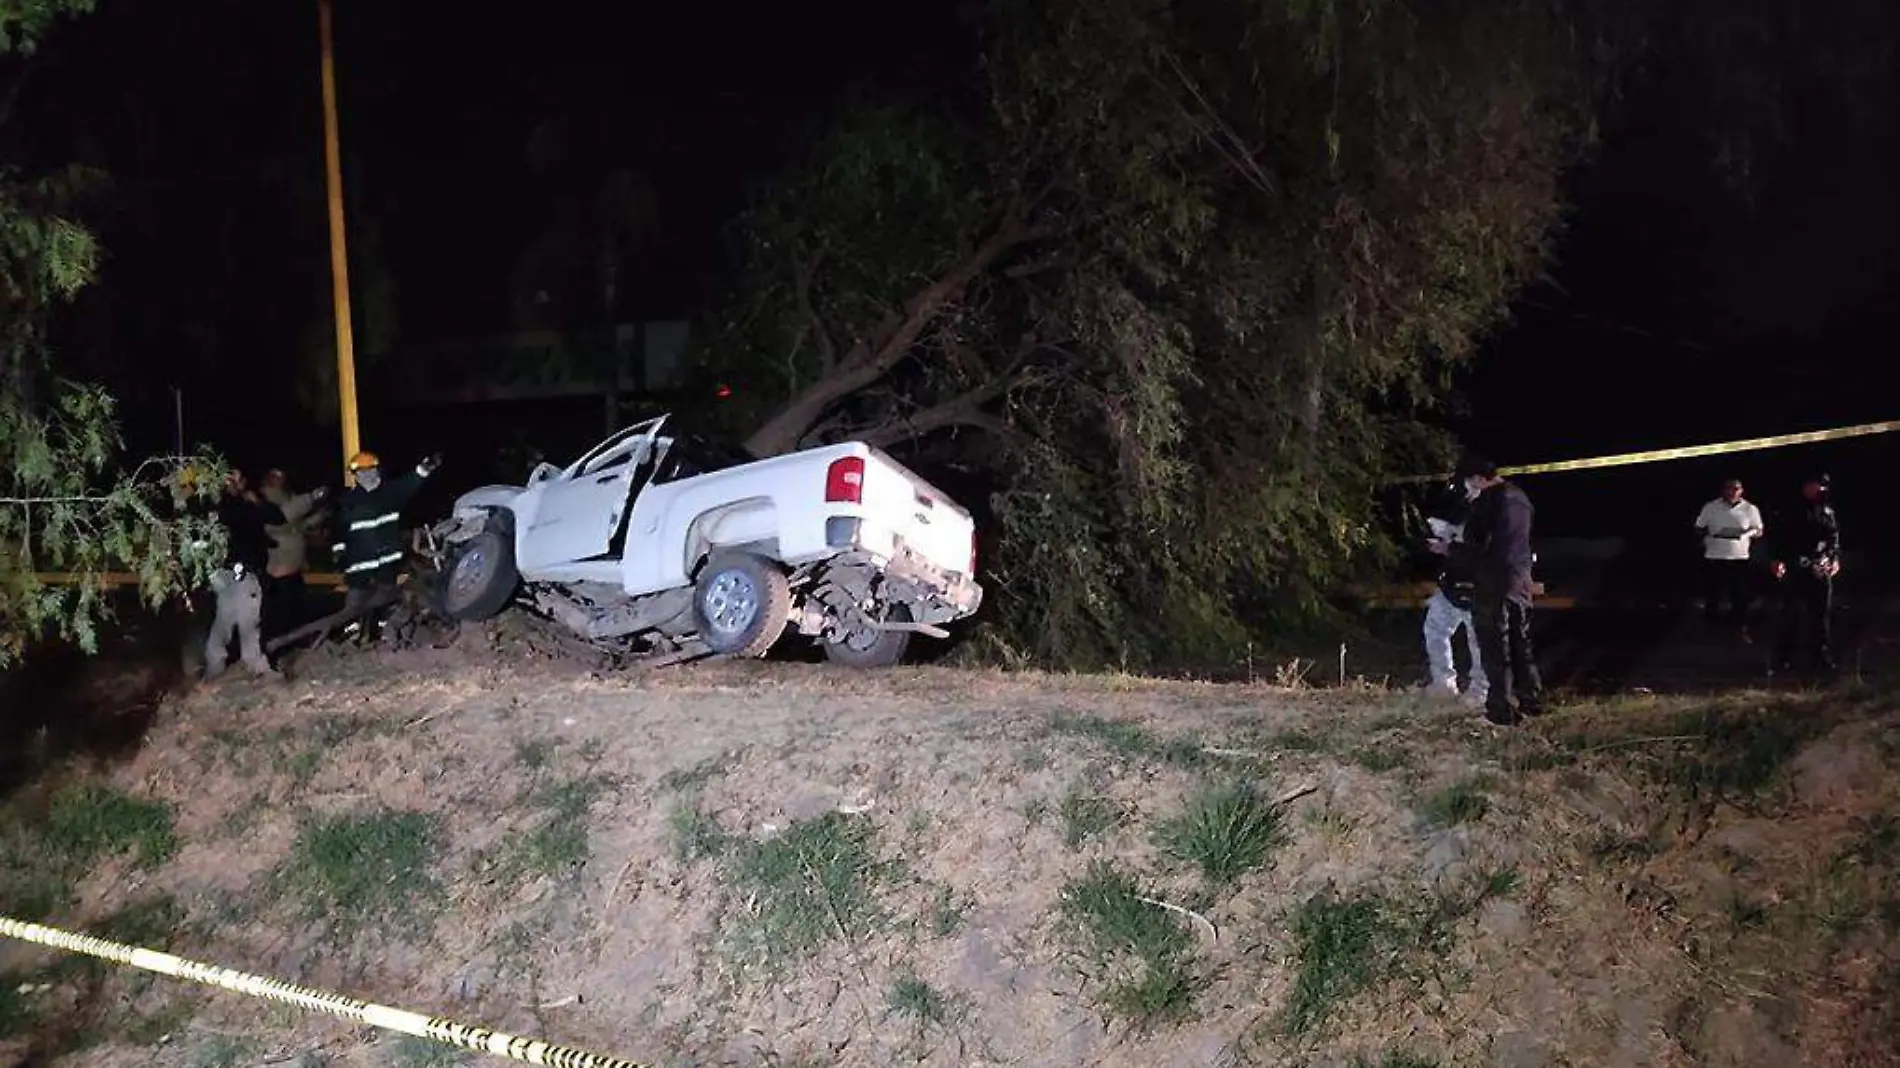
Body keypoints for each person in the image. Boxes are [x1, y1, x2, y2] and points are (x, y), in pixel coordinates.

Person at [1439, 451, 1544, 726]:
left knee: (1495, 647)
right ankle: (1532, 701)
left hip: (1492, 581)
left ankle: (1501, 712)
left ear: (1476, 479)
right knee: (1521, 642)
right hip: (1520, 579)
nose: (1466, 489)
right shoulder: (1521, 498)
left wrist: (1447, 548)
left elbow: (1478, 547)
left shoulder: (1488, 501)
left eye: (1466, 482)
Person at [332, 449, 440, 639]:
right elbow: (338, 531)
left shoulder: (391, 493)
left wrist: (424, 468)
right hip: (359, 568)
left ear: (378, 470)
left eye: (370, 470)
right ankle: (350, 641)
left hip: (387, 564)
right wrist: (338, 553)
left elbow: (411, 482)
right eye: (362, 472)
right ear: (355, 475)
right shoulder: (347, 502)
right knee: (353, 610)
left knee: (384, 604)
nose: (367, 475)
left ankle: (383, 637)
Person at [205, 467, 288, 680]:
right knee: (247, 618)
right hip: (238, 570)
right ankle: (255, 665)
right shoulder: (228, 506)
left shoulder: (241, 502)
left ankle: (216, 665)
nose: (233, 483)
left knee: (225, 616)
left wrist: (257, 502)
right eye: (230, 479)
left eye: (236, 478)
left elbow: (277, 517)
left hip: (230, 570)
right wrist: (251, 502)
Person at [1421, 485, 1487, 707]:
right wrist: (1443, 537)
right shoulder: (1461, 507)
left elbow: (1481, 550)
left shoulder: (1491, 511)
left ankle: (1479, 692)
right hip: (1451, 585)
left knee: (1478, 640)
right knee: (1435, 629)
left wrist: (1448, 547)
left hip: (1479, 586)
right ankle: (1444, 685)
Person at [1770, 474, 1841, 673]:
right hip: (1795, 567)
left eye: (1821, 486)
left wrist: (1834, 559)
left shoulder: (1827, 511)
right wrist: (1777, 559)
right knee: (1790, 613)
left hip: (1820, 567)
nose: (1818, 489)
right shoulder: (1790, 509)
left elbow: (1834, 537)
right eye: (1814, 485)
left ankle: (1821, 657)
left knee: (1821, 615)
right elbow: (1779, 536)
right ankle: (1783, 659)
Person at [259, 469, 330, 641]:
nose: (281, 480)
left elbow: (296, 527)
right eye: (277, 477)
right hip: (279, 570)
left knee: (295, 610)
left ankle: (294, 640)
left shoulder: (285, 497)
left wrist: (318, 517)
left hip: (292, 569)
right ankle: (277, 643)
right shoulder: (266, 501)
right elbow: (284, 518)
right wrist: (311, 497)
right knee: (280, 613)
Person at [1693, 478, 1765, 634]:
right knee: (1713, 593)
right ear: (1723, 490)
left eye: (1736, 489)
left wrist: (1747, 533)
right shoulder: (1710, 507)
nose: (1732, 492)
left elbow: (1759, 530)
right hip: (1714, 556)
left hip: (1739, 557)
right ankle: (1710, 625)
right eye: (1729, 488)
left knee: (1739, 593)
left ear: (1741, 491)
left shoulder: (1750, 509)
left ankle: (1738, 624)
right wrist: (1711, 534)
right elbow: (1698, 527)